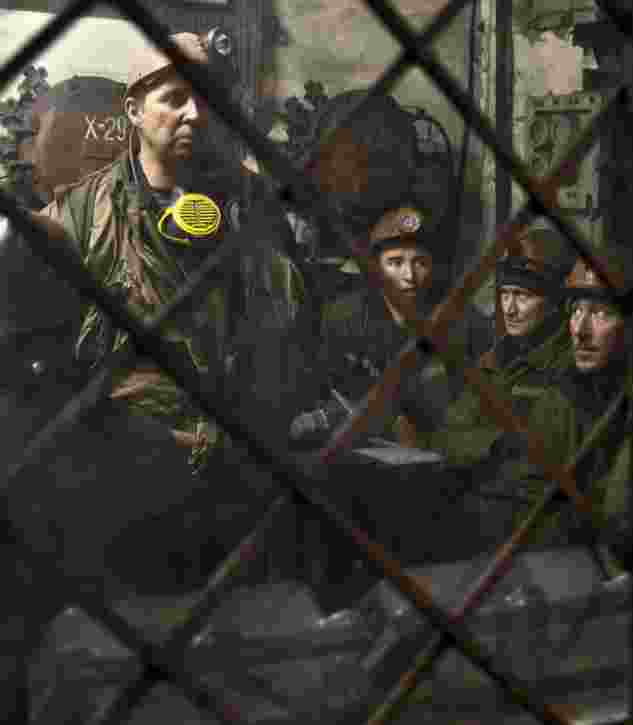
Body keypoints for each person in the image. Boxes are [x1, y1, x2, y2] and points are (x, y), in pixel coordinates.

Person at [26, 32, 306, 596]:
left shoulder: (257, 207)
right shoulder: (80, 213)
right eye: (175, 97)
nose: (195, 113)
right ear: (132, 110)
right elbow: (39, 357)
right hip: (127, 480)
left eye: (205, 97)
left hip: (242, 475)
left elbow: (299, 333)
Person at [486, 244, 633, 573]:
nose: (581, 331)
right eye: (576, 311)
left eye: (600, 313)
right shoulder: (563, 396)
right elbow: (529, 497)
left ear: (631, 326)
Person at [290, 203, 492, 446]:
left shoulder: (462, 320)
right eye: (395, 263)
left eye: (420, 263)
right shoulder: (342, 317)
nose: (409, 276)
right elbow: (323, 391)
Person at [420, 226, 575, 467]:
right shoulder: (494, 360)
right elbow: (444, 436)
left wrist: (479, 442)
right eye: (505, 295)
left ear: (554, 302)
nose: (509, 309)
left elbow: (545, 453)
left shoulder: (570, 363)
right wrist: (498, 443)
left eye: (522, 296)